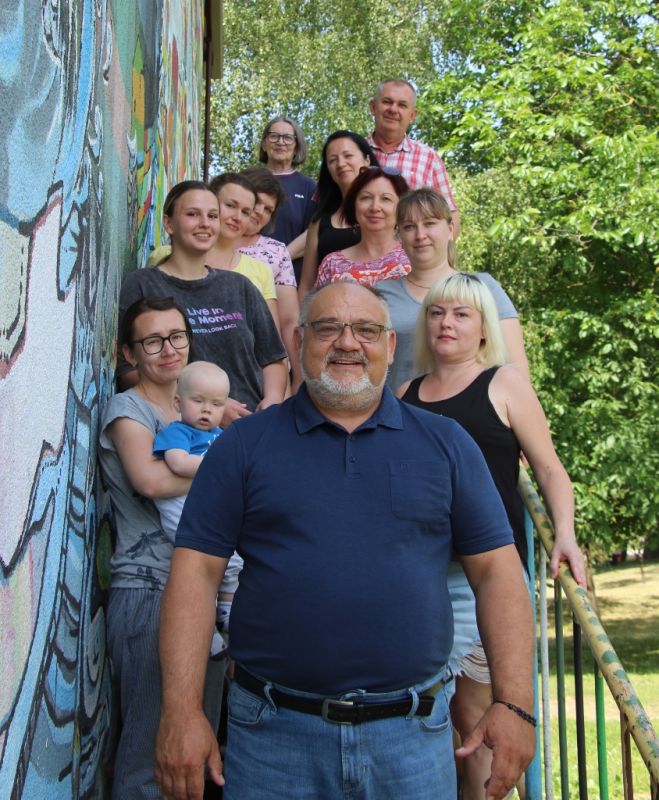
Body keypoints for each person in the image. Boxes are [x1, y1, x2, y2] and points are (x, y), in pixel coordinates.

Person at [154, 281, 536, 800]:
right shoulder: (243, 445)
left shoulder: (446, 444)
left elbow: (497, 573)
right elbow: (195, 574)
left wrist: (514, 704)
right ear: (299, 341)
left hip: (412, 742)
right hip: (273, 739)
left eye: (367, 330)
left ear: (391, 346)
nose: (348, 343)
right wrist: (181, 711)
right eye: (328, 328)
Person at [397, 273, 586, 799]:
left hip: (485, 578)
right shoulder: (405, 394)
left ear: (483, 327)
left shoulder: (504, 384)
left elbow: (548, 468)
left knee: (477, 714)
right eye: (437, 313)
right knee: (423, 713)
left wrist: (565, 535)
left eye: (461, 314)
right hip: (420, 576)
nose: (446, 323)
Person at [99, 297, 226, 799]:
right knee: (152, 759)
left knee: (194, 755)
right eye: (153, 341)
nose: (169, 349)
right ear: (130, 353)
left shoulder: (201, 409)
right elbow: (150, 480)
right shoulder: (127, 409)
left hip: (202, 589)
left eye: (177, 337)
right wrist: (227, 471)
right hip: (149, 589)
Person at [119, 180, 288, 426]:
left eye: (212, 216)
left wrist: (271, 401)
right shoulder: (144, 285)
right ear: (169, 224)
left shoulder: (240, 286)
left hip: (251, 426)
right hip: (183, 434)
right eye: (192, 214)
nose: (205, 223)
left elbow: (273, 358)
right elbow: (128, 371)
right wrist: (209, 406)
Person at [376, 188, 529, 390]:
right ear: (400, 236)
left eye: (429, 223)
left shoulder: (484, 287)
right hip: (401, 407)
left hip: (474, 408)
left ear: (450, 229)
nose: (420, 235)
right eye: (409, 227)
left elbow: (517, 369)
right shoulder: (379, 295)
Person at [152, 360, 243, 661]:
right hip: (180, 507)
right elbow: (177, 462)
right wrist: (219, 467)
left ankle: (226, 612)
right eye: (199, 401)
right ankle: (207, 631)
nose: (207, 410)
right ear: (178, 403)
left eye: (216, 404)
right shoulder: (178, 432)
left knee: (232, 558)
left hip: (204, 504)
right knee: (201, 561)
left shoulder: (220, 436)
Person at [367, 78, 461, 237]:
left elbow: (449, 214)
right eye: (387, 102)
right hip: (358, 250)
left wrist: (442, 250)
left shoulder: (429, 158)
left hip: (411, 252)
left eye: (402, 105)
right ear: (373, 107)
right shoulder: (351, 154)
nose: (393, 109)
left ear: (412, 115)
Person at [237, 166, 301, 387]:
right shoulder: (204, 241)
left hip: (264, 370)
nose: (259, 212)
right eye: (257, 201)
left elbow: (289, 321)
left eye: (268, 209)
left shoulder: (276, 252)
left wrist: (296, 379)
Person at [298, 131, 379, 297]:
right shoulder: (319, 221)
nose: (341, 164)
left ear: (367, 159)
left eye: (348, 155)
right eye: (332, 160)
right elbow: (306, 286)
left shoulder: (391, 211)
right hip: (329, 309)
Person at [314, 165, 410, 288]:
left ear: (402, 207)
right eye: (366, 198)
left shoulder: (415, 256)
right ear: (353, 205)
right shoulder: (332, 264)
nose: (375, 207)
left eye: (385, 199)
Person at [259, 117, 316, 281]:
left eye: (288, 138)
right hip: (248, 273)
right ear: (264, 144)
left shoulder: (309, 187)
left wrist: (278, 260)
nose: (280, 142)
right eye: (274, 136)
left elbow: (313, 235)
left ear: (296, 146)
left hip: (290, 278)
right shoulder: (246, 181)